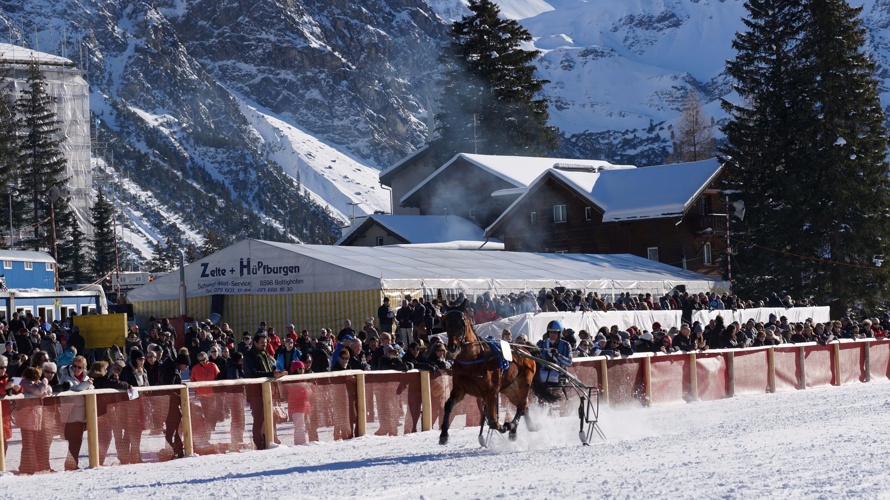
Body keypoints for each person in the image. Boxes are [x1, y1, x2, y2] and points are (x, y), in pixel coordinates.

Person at [243, 333, 285, 449]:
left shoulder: (265, 355)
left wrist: (277, 372)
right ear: (255, 343)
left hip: (268, 392)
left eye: (266, 343)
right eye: (262, 343)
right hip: (256, 393)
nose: (264, 345)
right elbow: (252, 373)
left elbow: (271, 368)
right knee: (259, 419)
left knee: (269, 417)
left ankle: (269, 440)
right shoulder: (249, 356)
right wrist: (272, 374)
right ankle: (260, 444)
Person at [58, 355, 93, 470]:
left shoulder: (85, 378)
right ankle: (71, 464)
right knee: (74, 441)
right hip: (70, 415)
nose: (76, 369)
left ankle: (72, 463)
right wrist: (87, 384)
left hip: (82, 415)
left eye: (79, 367)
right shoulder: (65, 377)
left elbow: (91, 389)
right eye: (74, 366)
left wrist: (88, 384)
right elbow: (75, 390)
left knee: (77, 441)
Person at [17, 365, 52, 474]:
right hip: (27, 418)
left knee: (36, 443)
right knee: (28, 444)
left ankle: (36, 466)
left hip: (36, 419)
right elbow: (38, 392)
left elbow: (47, 390)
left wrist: (45, 388)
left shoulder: (35, 384)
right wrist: (44, 382)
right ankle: (25, 467)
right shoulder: (25, 384)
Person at [190, 351, 221, 449]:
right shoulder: (195, 368)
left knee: (212, 414)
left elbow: (218, 377)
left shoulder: (212, 365)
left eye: (203, 360)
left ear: (207, 358)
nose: (202, 362)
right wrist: (197, 390)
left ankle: (210, 429)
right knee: (205, 415)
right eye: (200, 361)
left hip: (212, 394)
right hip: (202, 395)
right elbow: (192, 380)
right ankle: (206, 435)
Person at [538, 320, 572, 384]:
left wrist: (557, 355)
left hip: (558, 373)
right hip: (543, 373)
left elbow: (569, 363)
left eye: (555, 333)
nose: (552, 334)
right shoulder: (541, 344)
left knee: (555, 377)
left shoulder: (565, 345)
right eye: (550, 332)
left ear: (559, 334)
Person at [286, 361, 312, 445]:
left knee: (305, 426)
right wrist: (307, 390)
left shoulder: (303, 381)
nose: (302, 371)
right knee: (299, 426)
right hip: (296, 408)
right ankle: (299, 443)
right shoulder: (292, 382)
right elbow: (302, 393)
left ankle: (303, 442)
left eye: (303, 369)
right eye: (300, 368)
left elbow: (310, 392)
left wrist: (307, 390)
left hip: (304, 406)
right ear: (294, 370)